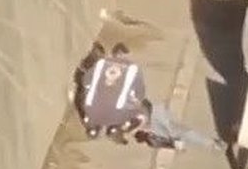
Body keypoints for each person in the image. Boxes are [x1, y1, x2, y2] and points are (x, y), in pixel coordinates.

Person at [75, 42, 224, 151]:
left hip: (150, 115)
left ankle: (211, 143)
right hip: (150, 112)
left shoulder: (141, 127)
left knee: (178, 131)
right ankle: (97, 60)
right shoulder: (139, 116)